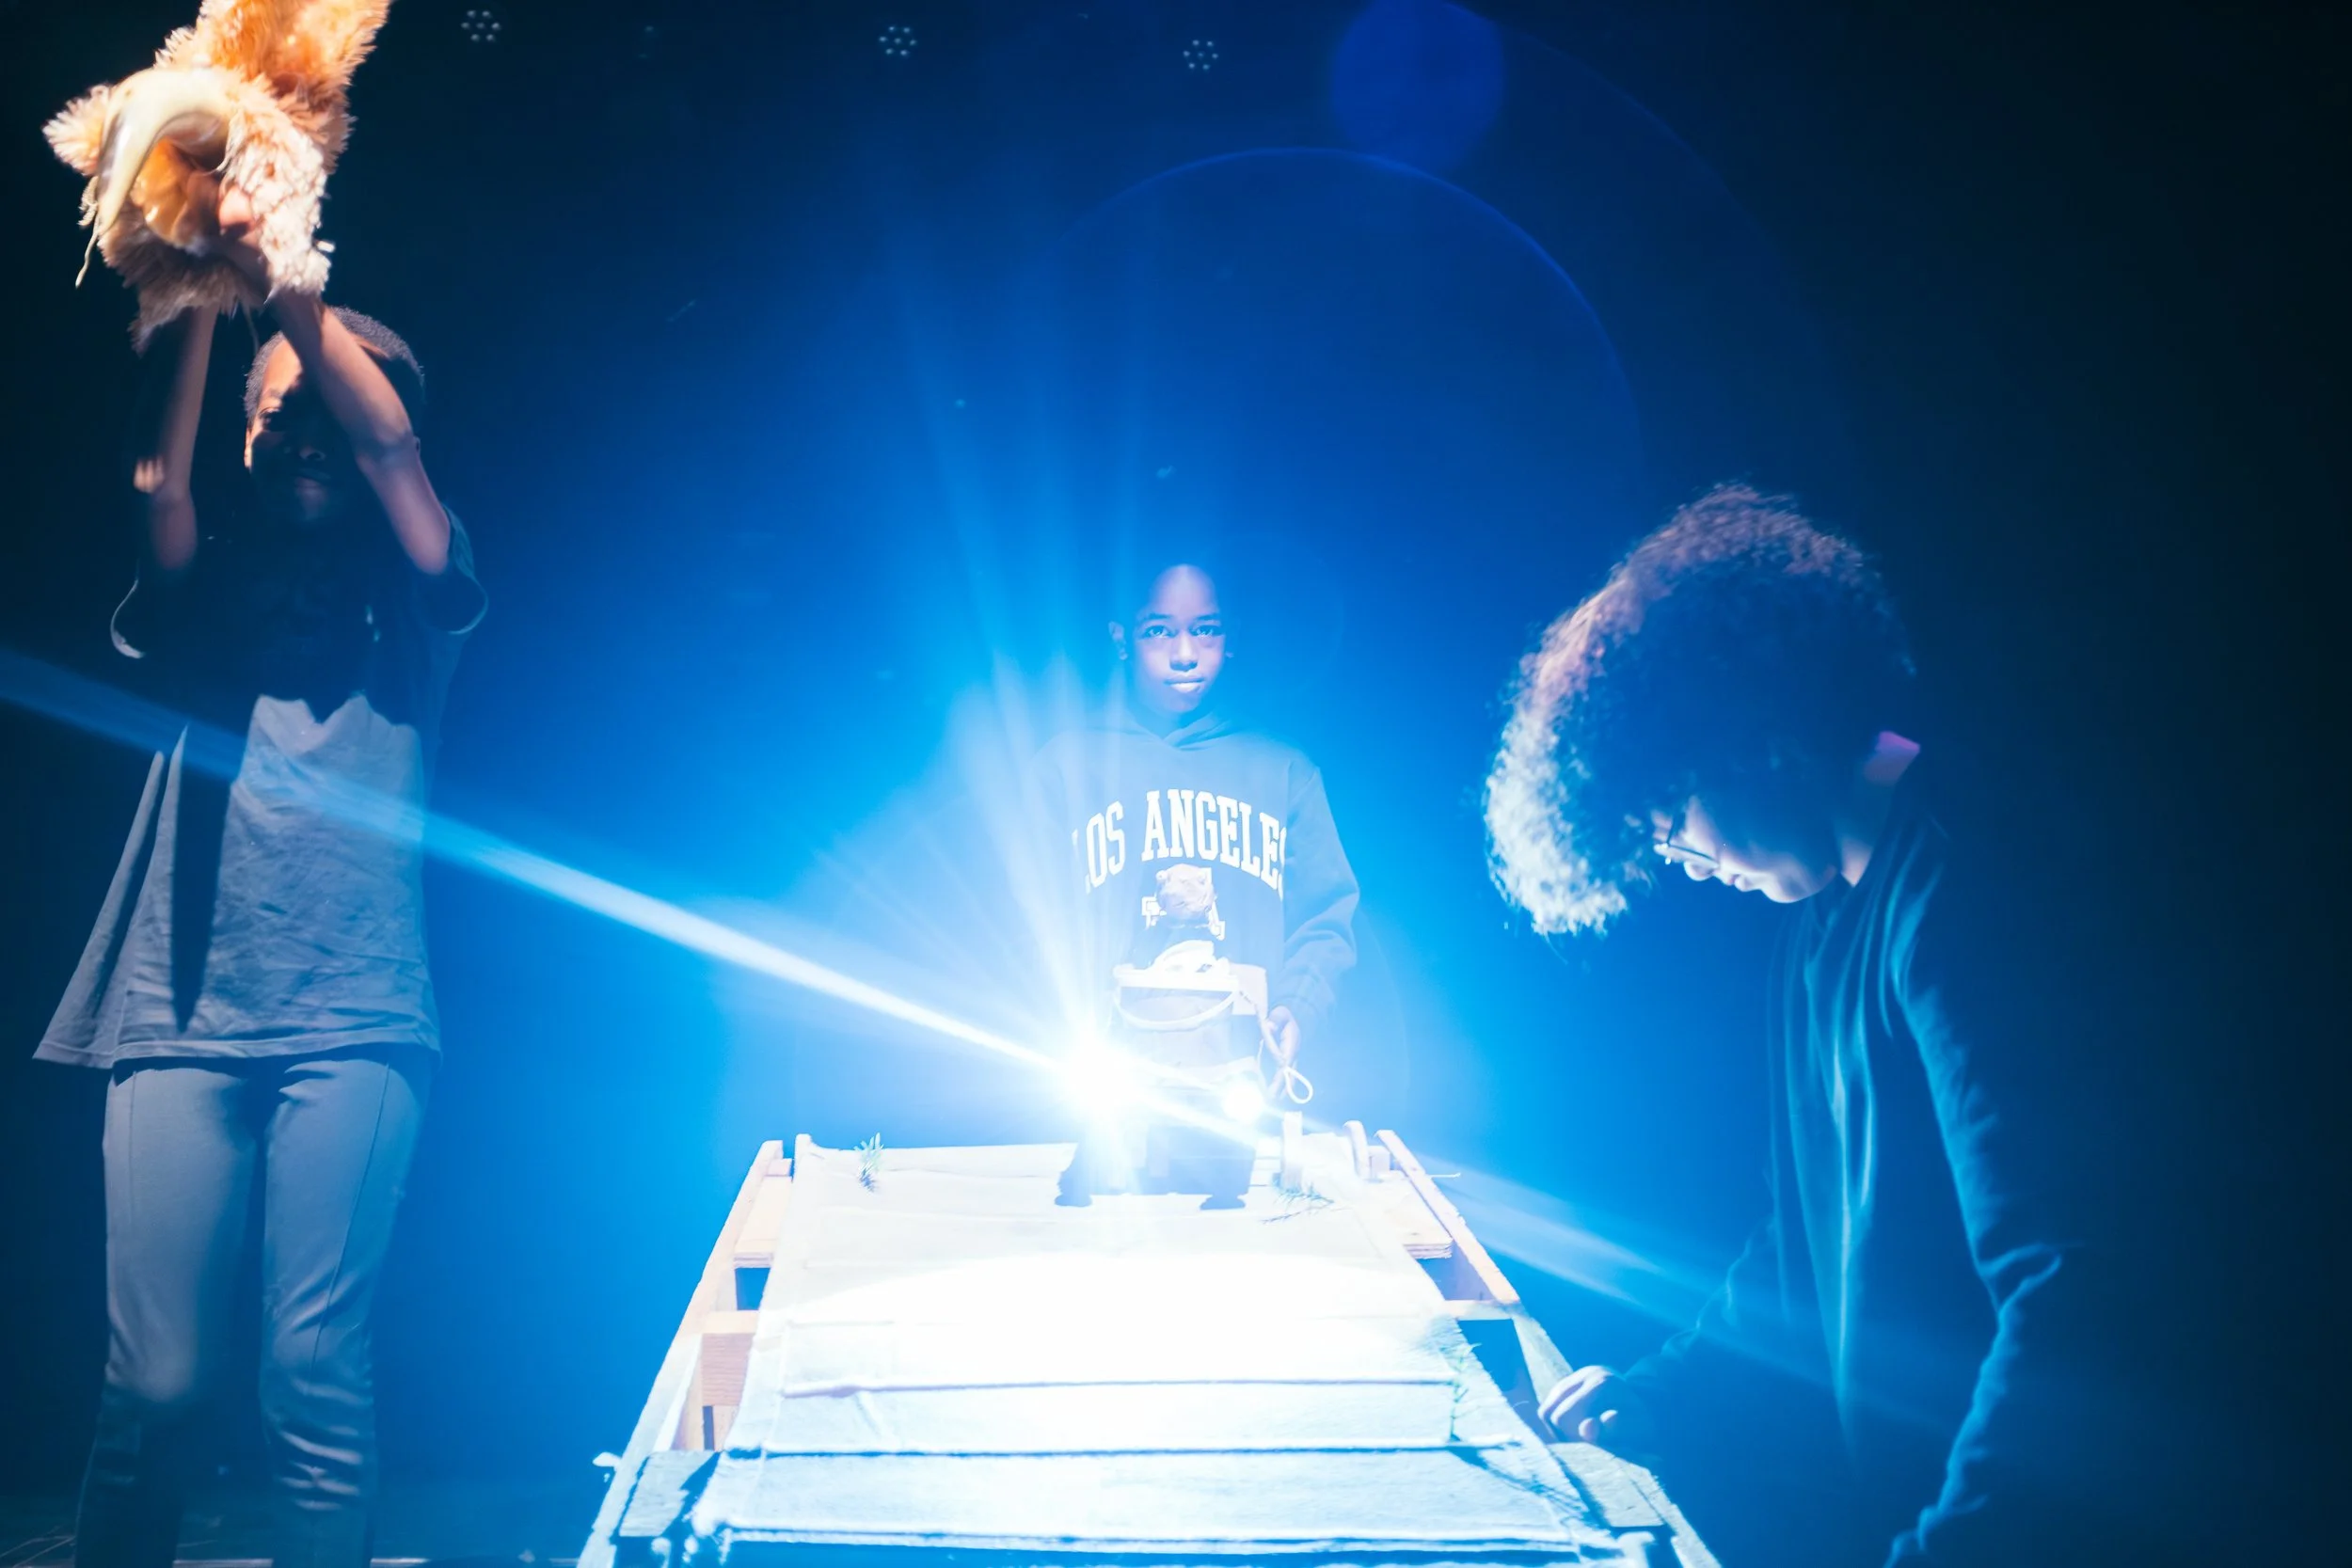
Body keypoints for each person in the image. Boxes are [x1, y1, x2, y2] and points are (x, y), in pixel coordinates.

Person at [1485, 485, 2144, 1567]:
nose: (1666, 851)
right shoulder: (1817, 924)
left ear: (1751, 738)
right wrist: (1661, 1391)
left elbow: (2071, 1293)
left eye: (1665, 810)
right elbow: (1803, 1240)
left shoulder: (1959, 892)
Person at [37, 185, 484, 1568]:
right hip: (174, 1013)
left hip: (352, 1017)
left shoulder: (426, 595)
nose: (302, 429)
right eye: (273, 406)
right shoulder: (202, 577)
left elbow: (393, 441)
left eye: (324, 414)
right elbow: (158, 486)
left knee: (312, 1374)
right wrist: (196, 297)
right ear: (246, 427)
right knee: (155, 1384)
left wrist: (283, 279)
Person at [1035, 556, 1359, 1111]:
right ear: (1122, 639)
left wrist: (1295, 1007)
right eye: (1159, 631)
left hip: (1240, 1078)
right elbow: (1028, 919)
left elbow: (1325, 920)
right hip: (1103, 1089)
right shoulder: (1068, 767)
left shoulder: (1283, 772)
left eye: (1204, 630)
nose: (1184, 653)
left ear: (1229, 638)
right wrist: (1066, 1017)